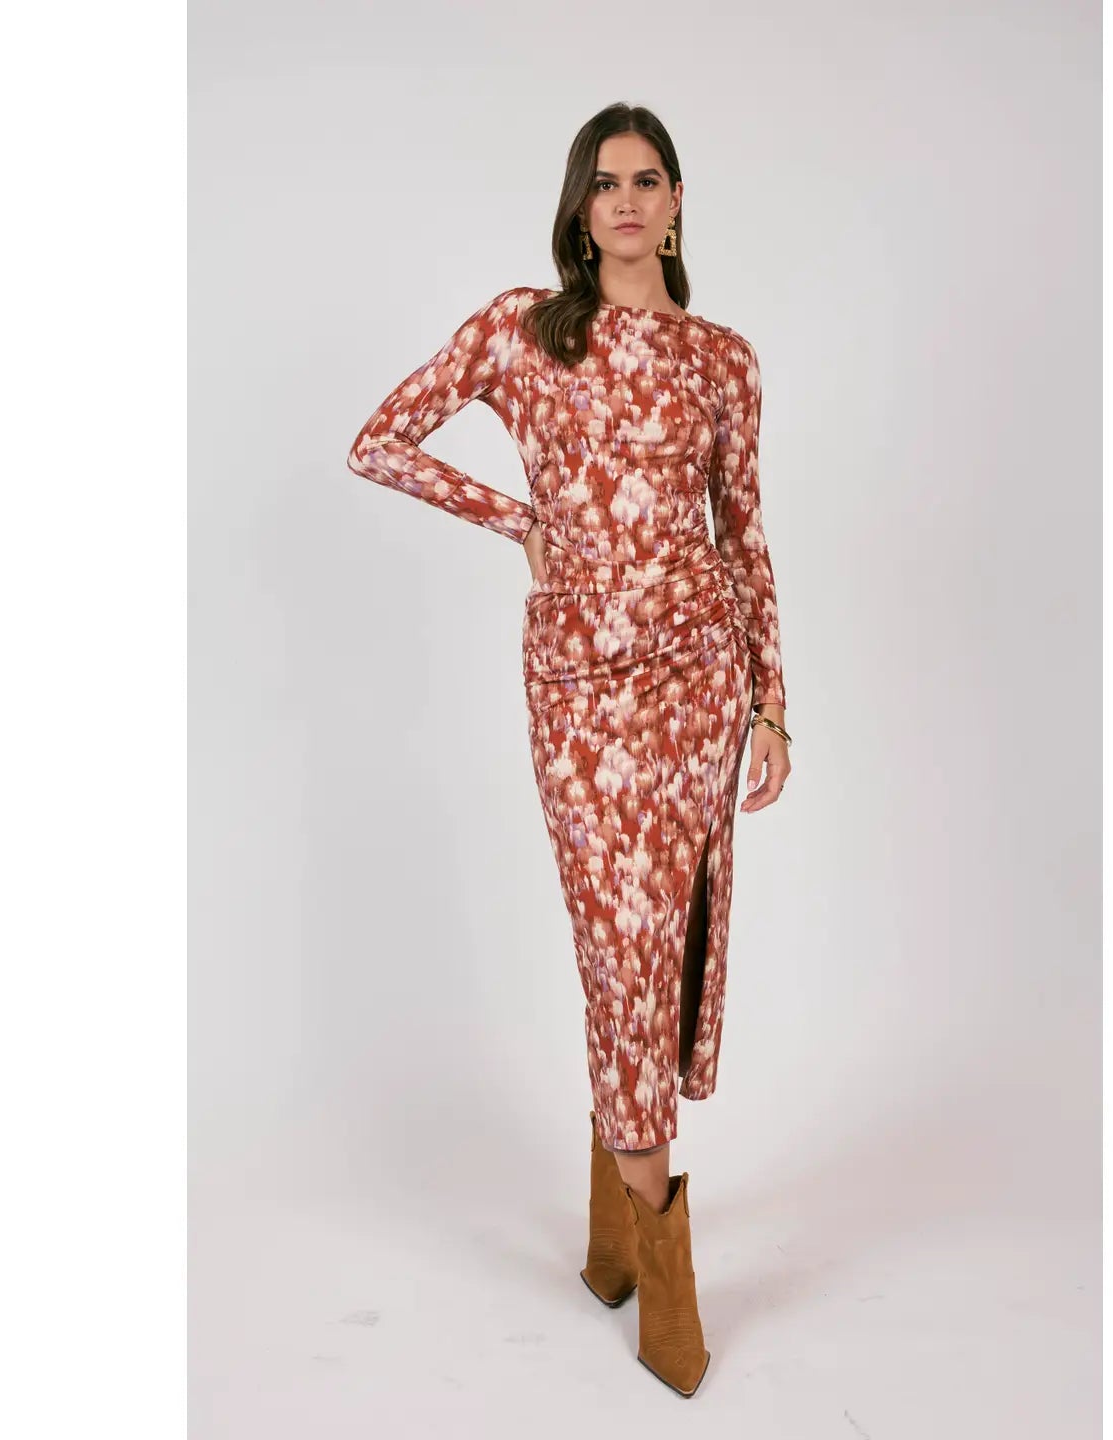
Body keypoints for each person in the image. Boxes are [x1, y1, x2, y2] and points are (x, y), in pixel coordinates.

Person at [346, 102, 792, 1397]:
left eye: (648, 179)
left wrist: (772, 703)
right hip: (580, 689)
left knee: (667, 945)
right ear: (580, 207)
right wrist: (517, 518)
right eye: (606, 183)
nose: (629, 200)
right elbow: (380, 441)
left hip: (700, 681)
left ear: (678, 201)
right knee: (620, 945)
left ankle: (615, 1245)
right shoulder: (525, 330)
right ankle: (666, 1280)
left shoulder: (722, 360)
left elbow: (745, 536)